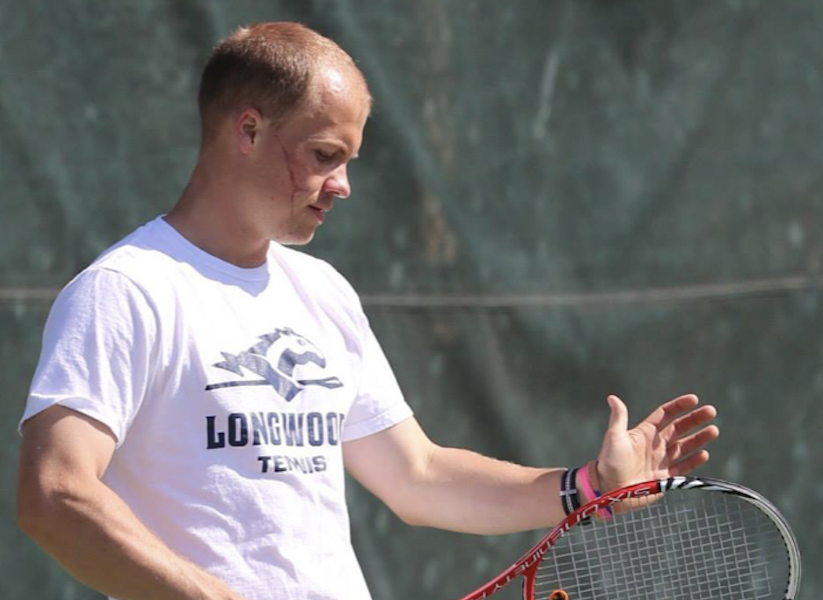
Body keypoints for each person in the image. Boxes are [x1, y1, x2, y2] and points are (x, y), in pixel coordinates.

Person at [16, 22, 719, 600]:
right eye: (324, 155)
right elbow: (55, 494)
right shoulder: (125, 290)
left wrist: (589, 486)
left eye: (349, 159)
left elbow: (419, 476)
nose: (342, 185)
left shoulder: (322, 293)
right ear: (249, 131)